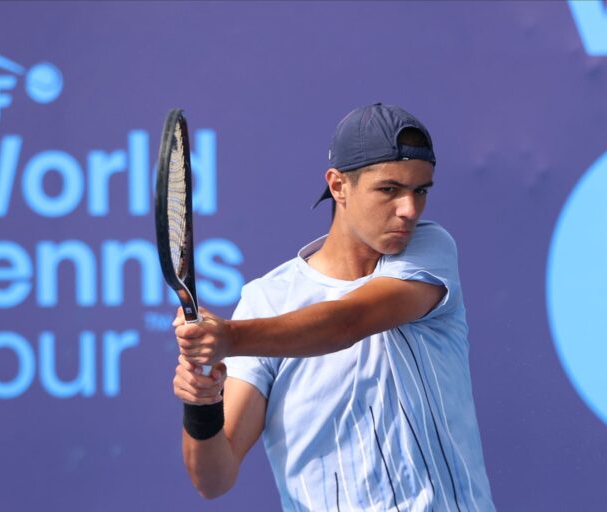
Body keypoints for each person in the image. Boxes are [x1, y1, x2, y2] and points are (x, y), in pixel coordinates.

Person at [172, 103, 496, 511]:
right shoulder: (265, 301)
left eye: (421, 191)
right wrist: (201, 405)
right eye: (389, 189)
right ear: (338, 185)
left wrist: (229, 339)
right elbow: (215, 479)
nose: (410, 210)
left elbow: (348, 321)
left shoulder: (429, 249)